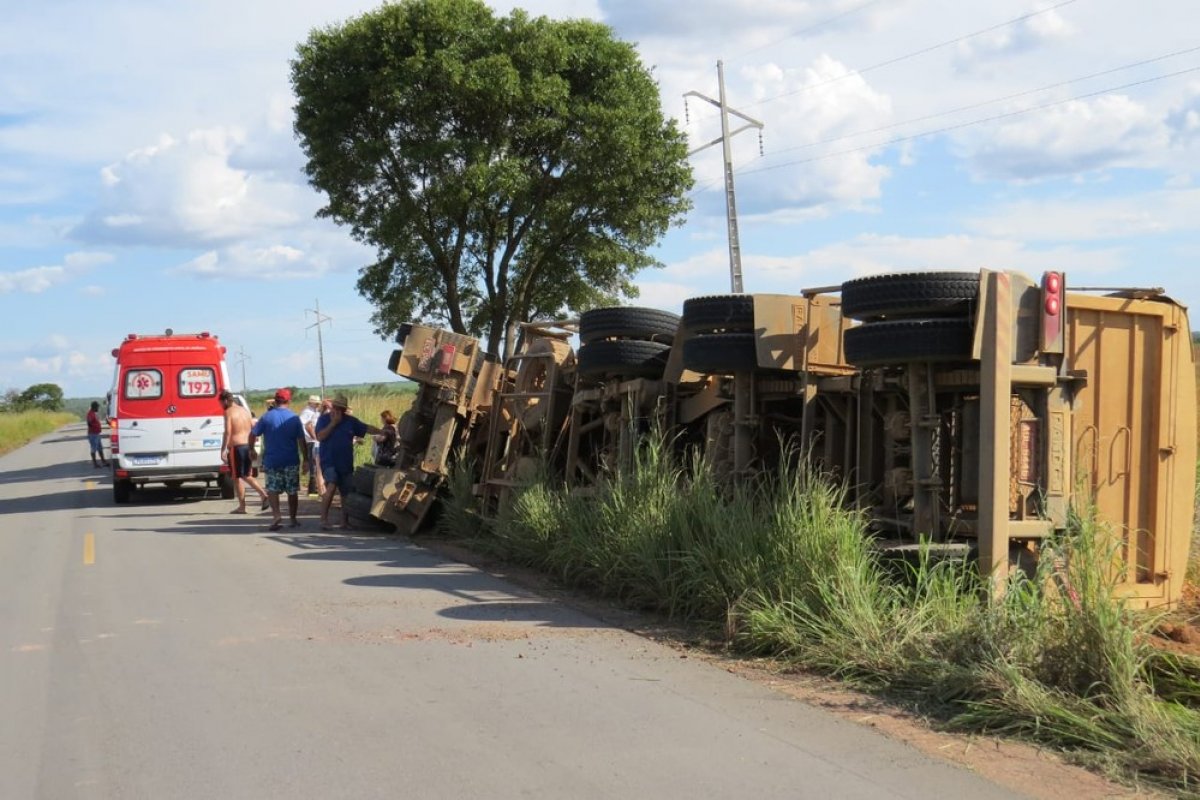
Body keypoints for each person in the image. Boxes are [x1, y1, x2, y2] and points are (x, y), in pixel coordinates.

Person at [315, 393, 384, 530]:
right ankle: (323, 519)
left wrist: (382, 431)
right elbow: (320, 436)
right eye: (336, 407)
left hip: (345, 462)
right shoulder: (324, 420)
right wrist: (333, 423)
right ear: (332, 407)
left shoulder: (350, 421)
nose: (338, 410)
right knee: (331, 486)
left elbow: (366, 428)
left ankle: (344, 522)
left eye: (341, 408)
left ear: (344, 409)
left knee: (346, 492)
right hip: (329, 461)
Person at [249, 388, 309, 531]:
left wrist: (251, 449)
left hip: (272, 460)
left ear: (275, 401)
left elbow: (252, 434)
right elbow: (301, 441)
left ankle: (276, 515)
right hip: (291, 460)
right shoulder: (294, 418)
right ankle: (293, 519)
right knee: (292, 491)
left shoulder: (266, 417)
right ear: (288, 401)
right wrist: (306, 459)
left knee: (273, 490)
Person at [220, 389, 268, 514]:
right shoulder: (245, 411)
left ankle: (246, 504)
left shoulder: (228, 412)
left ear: (225, 401)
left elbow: (228, 432)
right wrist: (252, 447)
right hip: (247, 445)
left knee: (238, 477)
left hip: (236, 447)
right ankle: (260, 496)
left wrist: (223, 449)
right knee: (246, 474)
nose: (221, 406)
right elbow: (254, 429)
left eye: (221, 403)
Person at [298, 394, 325, 496]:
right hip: (311, 441)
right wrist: (313, 436)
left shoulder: (313, 412)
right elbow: (305, 425)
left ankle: (313, 489)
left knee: (314, 465)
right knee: (314, 465)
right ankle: (313, 489)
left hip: (312, 440)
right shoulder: (307, 412)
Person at [86, 401, 108, 468]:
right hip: (93, 434)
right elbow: (89, 423)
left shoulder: (93, 413)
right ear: (94, 407)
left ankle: (103, 462)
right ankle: (95, 464)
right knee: (94, 449)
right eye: (97, 407)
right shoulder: (90, 414)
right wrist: (94, 427)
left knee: (100, 448)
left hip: (97, 434)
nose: (98, 408)